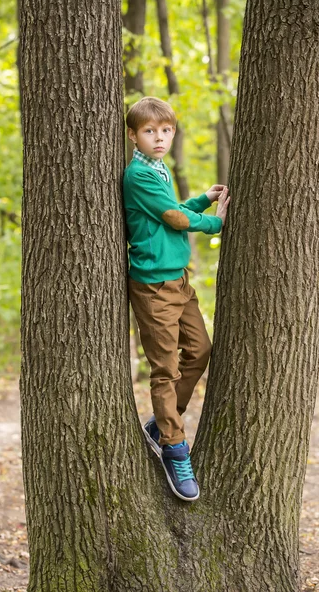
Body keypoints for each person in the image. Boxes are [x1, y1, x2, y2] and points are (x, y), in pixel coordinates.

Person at [123, 96, 230, 502]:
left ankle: (160, 425)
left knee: (200, 351)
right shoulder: (139, 175)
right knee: (165, 368)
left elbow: (172, 211)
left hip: (179, 283)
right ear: (134, 136)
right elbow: (174, 219)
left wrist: (202, 200)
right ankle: (173, 446)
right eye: (150, 131)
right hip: (153, 288)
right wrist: (214, 221)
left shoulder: (159, 170)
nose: (160, 137)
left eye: (166, 130)